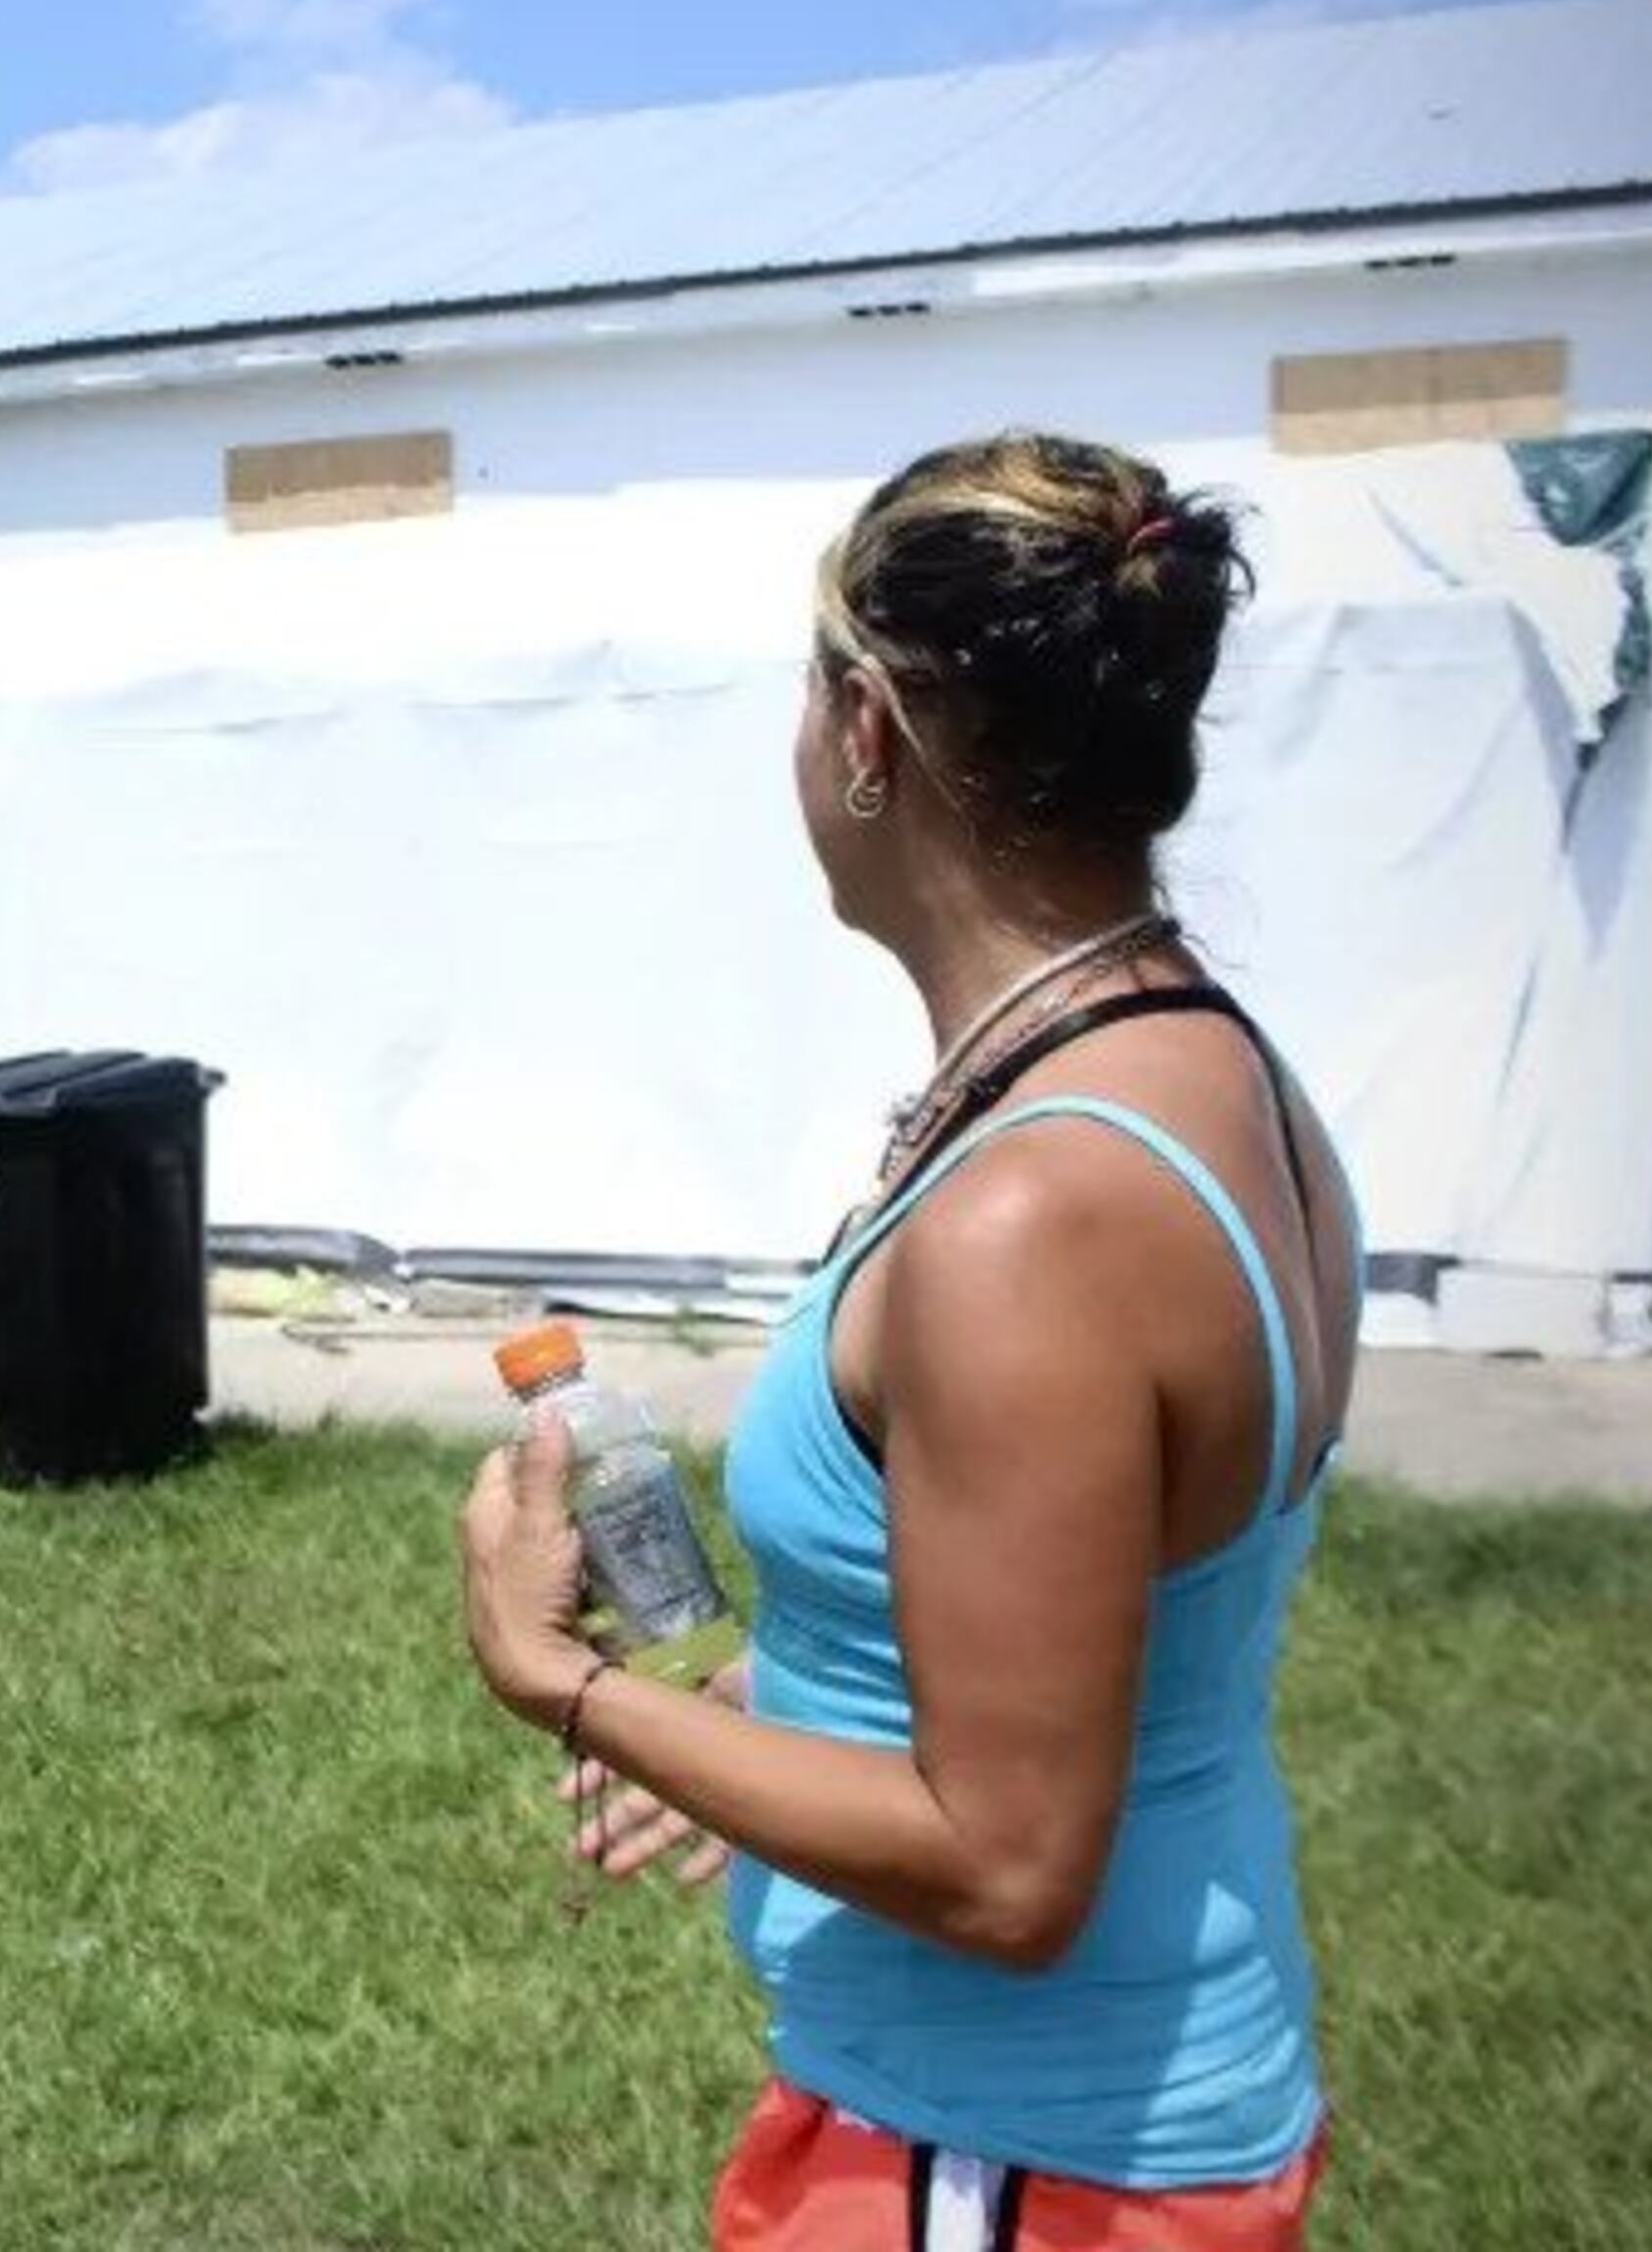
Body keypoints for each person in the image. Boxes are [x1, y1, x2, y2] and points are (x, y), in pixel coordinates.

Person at [458, 432, 1354, 2250]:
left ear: (867, 731)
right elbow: (1097, 1633)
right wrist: (773, 1715)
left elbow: (1010, 1867)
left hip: (1024, 2162)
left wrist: (561, 1678)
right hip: (1093, 2116)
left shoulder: (1031, 1216)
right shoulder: (1216, 1072)